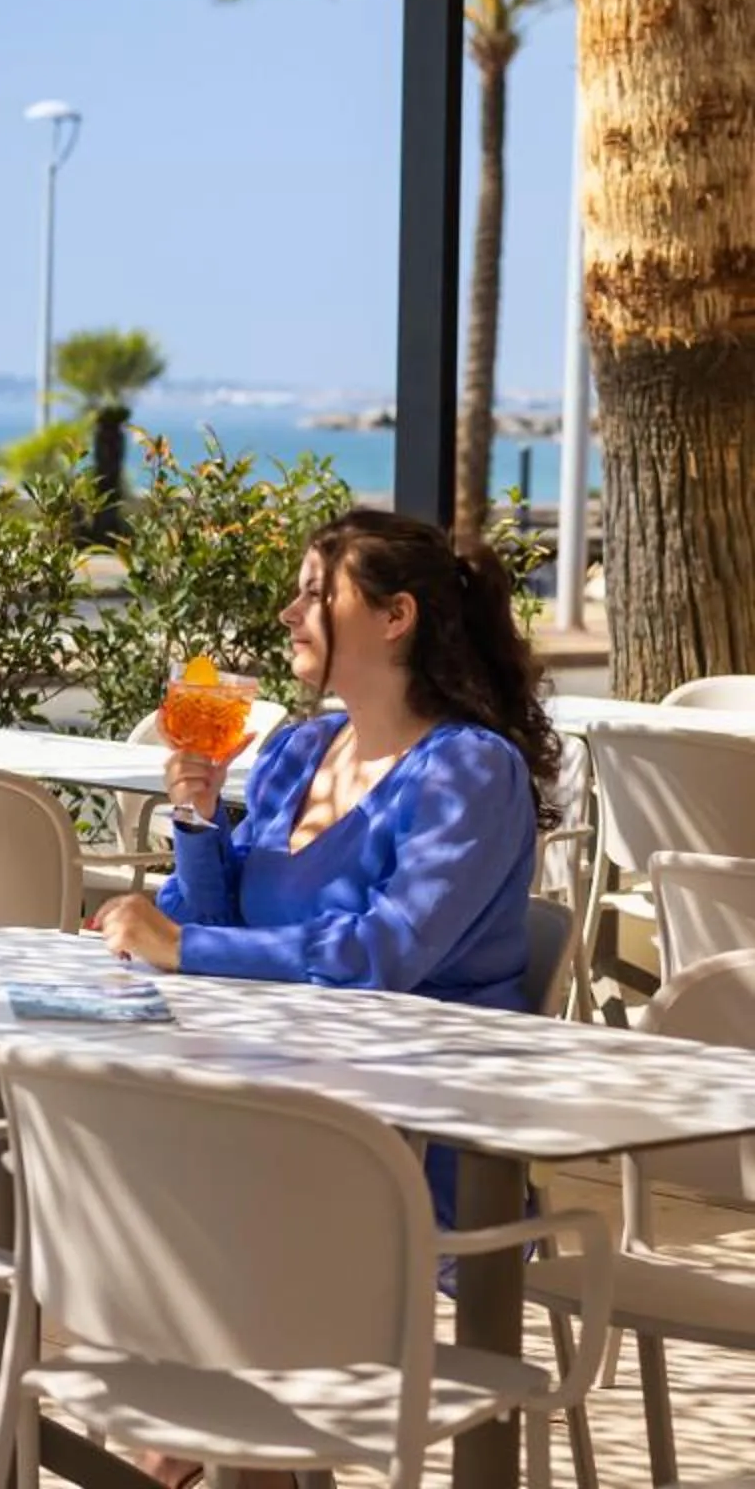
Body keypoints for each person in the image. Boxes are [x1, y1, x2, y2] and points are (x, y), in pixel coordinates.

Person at [93, 508, 557, 1228]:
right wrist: (196, 817)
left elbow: (382, 954)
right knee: (99, 1155)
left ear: (396, 615)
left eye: (315, 594)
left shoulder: (468, 769)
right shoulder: (300, 752)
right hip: (277, 1077)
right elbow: (208, 924)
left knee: (143, 1184)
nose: (289, 613)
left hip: (410, 1117)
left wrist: (182, 947)